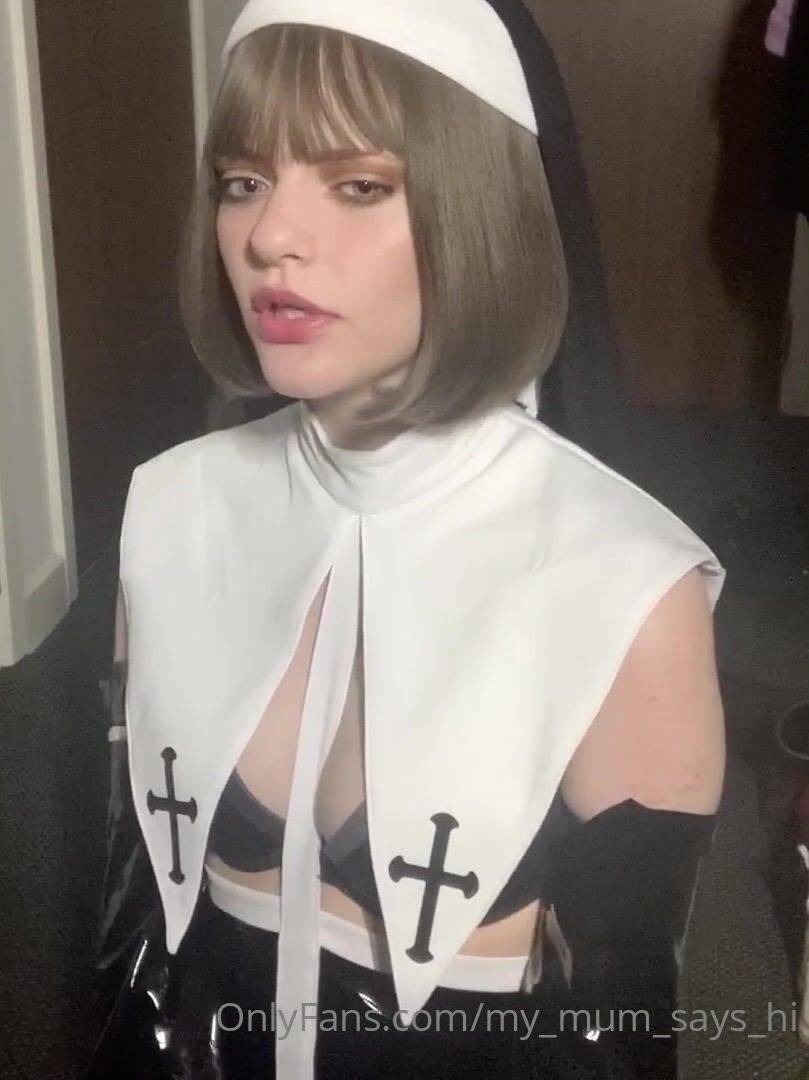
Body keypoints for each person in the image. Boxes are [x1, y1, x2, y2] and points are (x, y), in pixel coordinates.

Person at [89, 2, 727, 1078]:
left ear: (478, 210)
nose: (270, 237)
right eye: (244, 181)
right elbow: (132, 942)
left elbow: (615, 1045)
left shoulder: (622, 591)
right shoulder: (169, 511)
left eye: (357, 185)